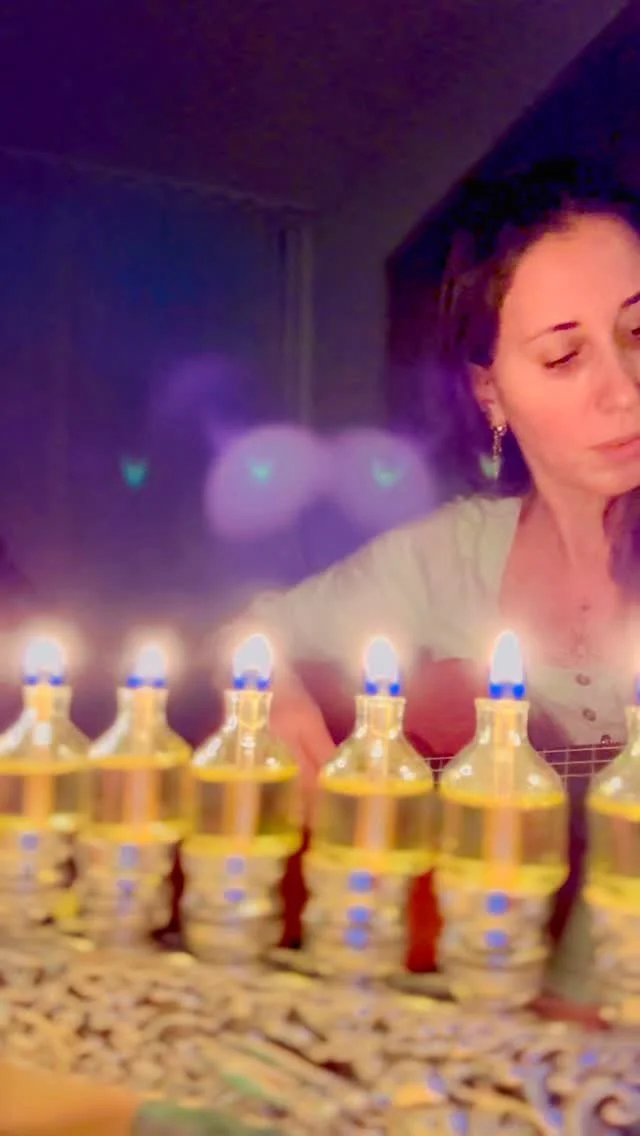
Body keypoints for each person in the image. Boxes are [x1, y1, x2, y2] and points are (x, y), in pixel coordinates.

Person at [216, 156, 640, 1001]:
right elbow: (242, 635)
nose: (624, 391)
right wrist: (280, 706)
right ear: (492, 393)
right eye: (564, 357)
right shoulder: (442, 558)